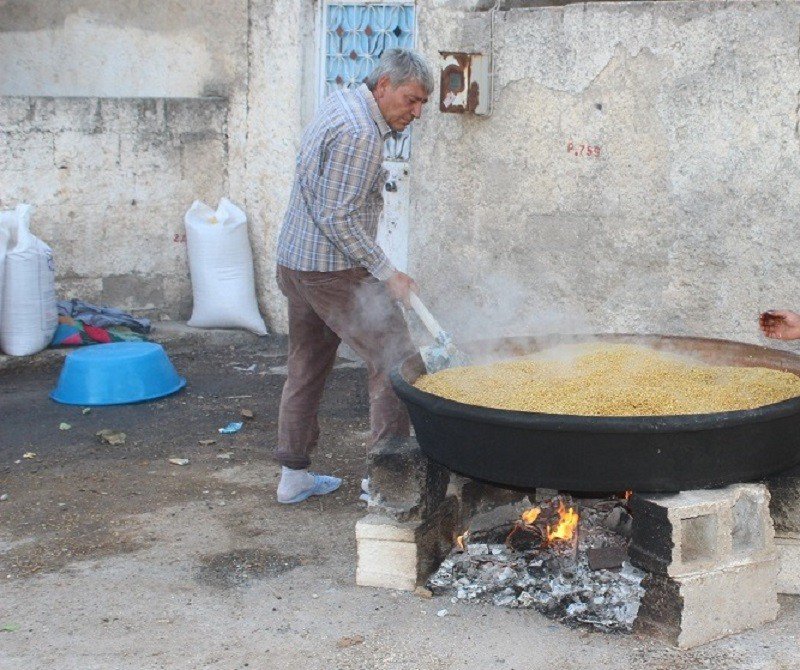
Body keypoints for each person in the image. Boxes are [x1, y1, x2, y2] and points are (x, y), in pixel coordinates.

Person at [273, 49, 434, 504]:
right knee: (398, 360)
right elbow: (338, 217)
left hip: (297, 262)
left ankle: (293, 475)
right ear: (383, 85)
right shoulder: (361, 133)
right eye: (411, 99)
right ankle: (387, 480)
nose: (416, 112)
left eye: (422, 103)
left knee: (306, 365)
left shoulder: (341, 101)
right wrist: (388, 274)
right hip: (331, 271)